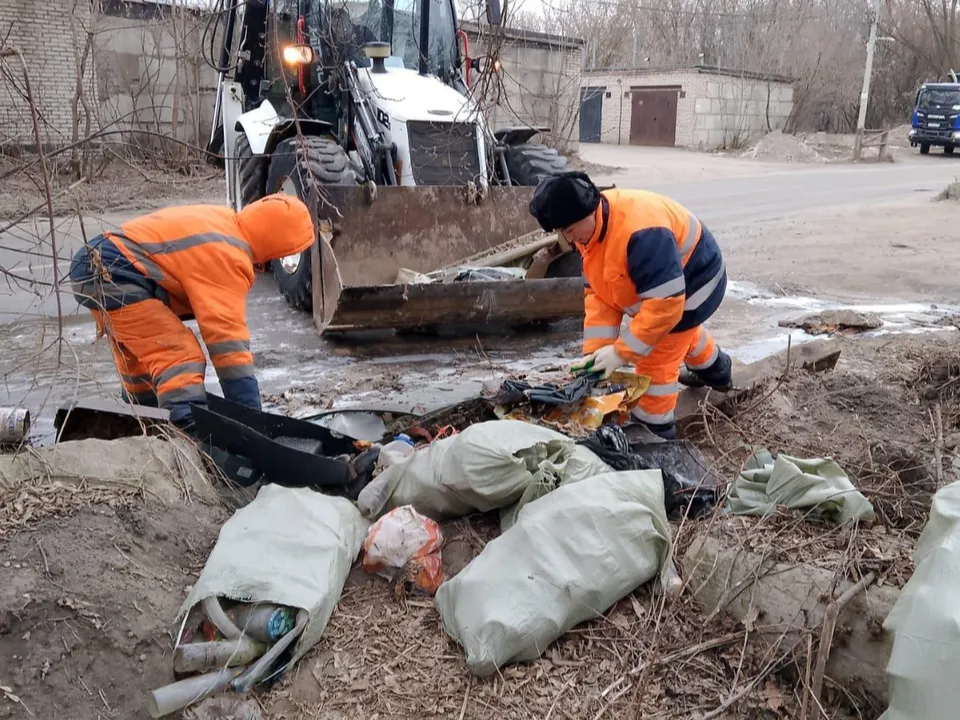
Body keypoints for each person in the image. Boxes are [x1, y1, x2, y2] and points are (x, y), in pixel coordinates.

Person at [69, 195, 316, 430]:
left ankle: (143, 428)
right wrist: (251, 419)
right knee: (179, 355)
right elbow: (228, 345)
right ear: (276, 241)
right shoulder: (228, 253)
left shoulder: (223, 224)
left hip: (96, 263)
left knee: (141, 360)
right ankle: (187, 435)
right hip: (114, 271)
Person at [529, 171, 732, 440]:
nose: (569, 238)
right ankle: (719, 372)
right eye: (562, 232)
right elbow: (600, 295)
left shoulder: (640, 232)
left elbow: (666, 307)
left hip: (698, 282)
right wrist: (597, 355)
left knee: (658, 357)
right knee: (681, 336)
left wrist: (621, 354)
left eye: (568, 230)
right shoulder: (591, 230)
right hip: (667, 287)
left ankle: (654, 432)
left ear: (588, 211)